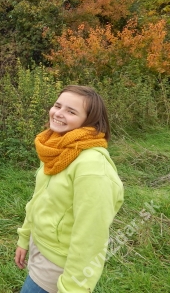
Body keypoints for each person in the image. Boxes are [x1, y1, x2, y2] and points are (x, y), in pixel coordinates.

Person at [14, 85, 124, 293]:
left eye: (71, 111)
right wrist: (24, 237)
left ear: (89, 121)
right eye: (57, 105)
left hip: (60, 265)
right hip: (40, 247)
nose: (59, 113)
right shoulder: (58, 149)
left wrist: (74, 287)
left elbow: (91, 237)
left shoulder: (92, 167)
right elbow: (39, 199)